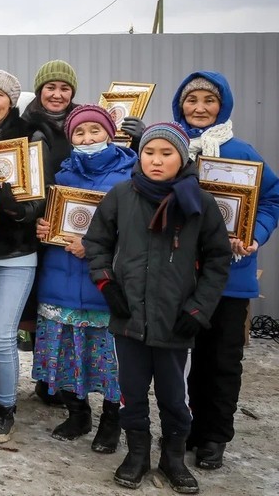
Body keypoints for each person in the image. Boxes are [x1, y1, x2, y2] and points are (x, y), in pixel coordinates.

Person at [84, 122, 231, 493]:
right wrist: (106, 284)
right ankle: (136, 455)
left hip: (175, 320)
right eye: (149, 152)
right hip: (128, 315)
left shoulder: (200, 203)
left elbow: (218, 260)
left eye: (166, 153)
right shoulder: (120, 195)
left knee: (173, 395)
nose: (156, 160)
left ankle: (173, 457)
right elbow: (96, 242)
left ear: (182, 158)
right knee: (130, 390)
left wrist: (198, 310)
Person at [171, 72, 279, 470]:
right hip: (179, 274)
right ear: (179, 104)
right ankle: (181, 427)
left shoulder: (242, 152)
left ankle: (213, 435)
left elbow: (271, 200)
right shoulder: (168, 148)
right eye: (191, 99)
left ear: (223, 105)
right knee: (177, 358)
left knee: (220, 359)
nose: (199, 107)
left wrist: (255, 235)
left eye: (209, 100)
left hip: (231, 275)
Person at [32, 105, 137, 453]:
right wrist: (45, 228)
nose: (88, 138)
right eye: (80, 133)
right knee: (63, 351)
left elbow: (136, 231)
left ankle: (111, 419)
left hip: (104, 285)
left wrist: (92, 247)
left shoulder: (130, 175)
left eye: (95, 130)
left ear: (109, 132)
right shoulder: (62, 176)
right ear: (71, 137)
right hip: (61, 280)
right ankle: (78, 413)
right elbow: (55, 221)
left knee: (109, 359)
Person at [0, 69, 54, 445]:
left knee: (2, 334)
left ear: (11, 99)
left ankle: (5, 407)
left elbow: (40, 199)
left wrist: (16, 209)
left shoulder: (30, 135)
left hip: (16, 251)